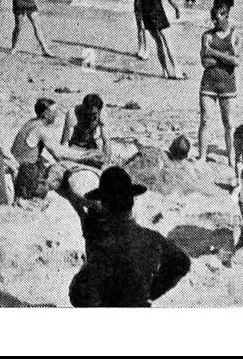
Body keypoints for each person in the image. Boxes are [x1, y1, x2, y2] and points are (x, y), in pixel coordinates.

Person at [67, 167, 191, 307]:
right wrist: (153, 291)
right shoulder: (152, 238)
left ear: (104, 206)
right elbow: (182, 262)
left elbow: (79, 295)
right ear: (132, 202)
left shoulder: (105, 247)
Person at [13, 98, 102, 199]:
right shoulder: (41, 130)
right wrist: (85, 156)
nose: (56, 115)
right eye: (54, 112)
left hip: (19, 165)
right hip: (25, 171)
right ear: (45, 114)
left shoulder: (31, 122)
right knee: (60, 172)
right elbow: (58, 153)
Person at [198, 3, 242, 166]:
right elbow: (205, 62)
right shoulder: (207, 36)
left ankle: (231, 158)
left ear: (226, 16)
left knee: (229, 123)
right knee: (205, 121)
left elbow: (236, 61)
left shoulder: (236, 35)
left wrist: (213, 52)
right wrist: (226, 57)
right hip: (209, 83)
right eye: (213, 19)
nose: (214, 22)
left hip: (228, 85)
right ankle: (202, 156)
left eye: (217, 19)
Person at [140, 0, 185, 79]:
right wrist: (177, 9)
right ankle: (177, 71)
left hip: (146, 15)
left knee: (158, 43)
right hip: (158, 14)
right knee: (168, 42)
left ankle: (165, 72)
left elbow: (140, 1)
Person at [63, 93, 110, 161]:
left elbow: (106, 141)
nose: (91, 117)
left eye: (94, 114)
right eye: (88, 114)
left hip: (91, 147)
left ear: (99, 110)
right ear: (83, 108)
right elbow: (65, 141)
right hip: (75, 147)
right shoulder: (73, 113)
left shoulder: (102, 115)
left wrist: (106, 160)